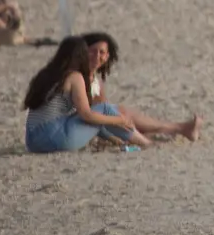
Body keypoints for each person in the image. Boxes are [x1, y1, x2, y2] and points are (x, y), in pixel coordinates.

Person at [23, 38, 151, 152]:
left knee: (96, 113)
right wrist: (121, 120)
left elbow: (84, 119)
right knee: (104, 108)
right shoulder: (74, 76)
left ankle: (128, 139)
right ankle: (146, 143)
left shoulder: (46, 74)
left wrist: (112, 138)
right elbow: (87, 115)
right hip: (54, 138)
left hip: (33, 143)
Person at [80, 32, 202, 141]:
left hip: (93, 123)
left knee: (122, 113)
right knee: (122, 114)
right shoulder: (77, 77)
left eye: (101, 52)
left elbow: (102, 107)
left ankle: (178, 129)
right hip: (78, 125)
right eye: (92, 51)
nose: (97, 56)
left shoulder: (94, 80)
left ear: (107, 56)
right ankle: (178, 129)